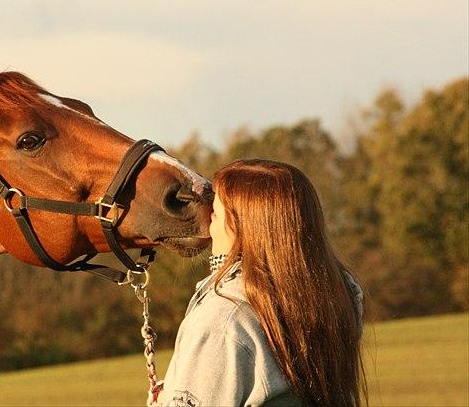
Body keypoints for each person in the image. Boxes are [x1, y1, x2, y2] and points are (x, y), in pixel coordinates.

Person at [156, 159, 365, 406]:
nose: (208, 209)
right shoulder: (341, 291)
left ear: (240, 223)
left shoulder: (222, 319)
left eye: (216, 209)